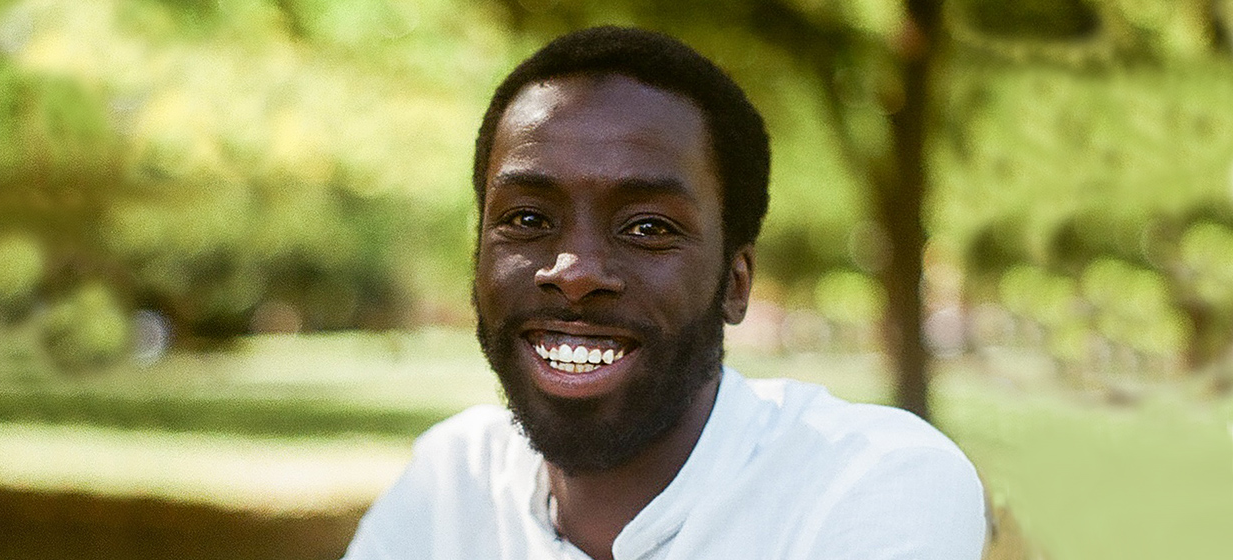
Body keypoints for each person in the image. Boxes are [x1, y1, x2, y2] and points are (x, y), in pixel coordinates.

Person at [343, 26, 986, 560]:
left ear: (735, 284)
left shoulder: (873, 480)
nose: (573, 271)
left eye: (648, 227)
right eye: (528, 220)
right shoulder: (452, 479)